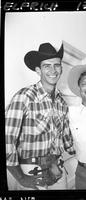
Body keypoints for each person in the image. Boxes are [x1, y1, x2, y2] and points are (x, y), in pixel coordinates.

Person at [5, 43, 75, 190]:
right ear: (38, 70)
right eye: (47, 66)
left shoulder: (62, 103)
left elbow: (68, 141)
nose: (53, 70)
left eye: (57, 65)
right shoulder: (24, 97)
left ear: (61, 68)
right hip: (31, 172)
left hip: (58, 170)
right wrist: (21, 178)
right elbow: (7, 139)